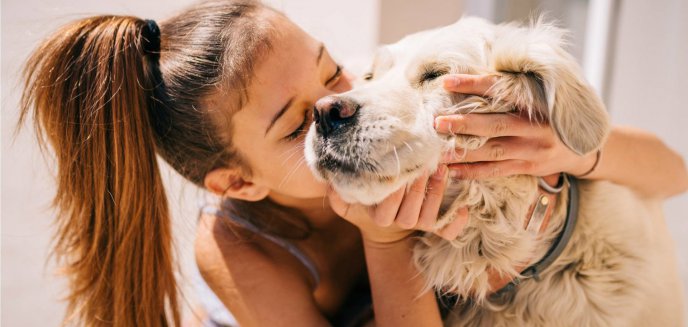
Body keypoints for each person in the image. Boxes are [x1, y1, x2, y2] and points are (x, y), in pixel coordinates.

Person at [18, 1, 687, 326]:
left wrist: (577, 150)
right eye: (294, 125)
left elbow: (673, 172)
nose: (342, 105)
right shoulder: (236, 245)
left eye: (334, 70)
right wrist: (385, 236)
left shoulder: (381, 110)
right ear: (239, 182)